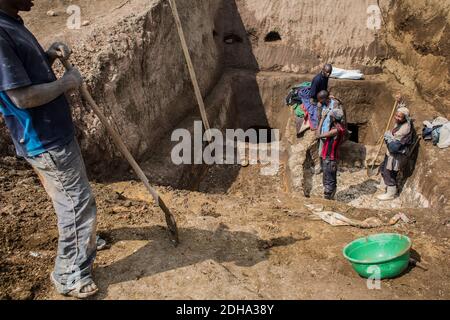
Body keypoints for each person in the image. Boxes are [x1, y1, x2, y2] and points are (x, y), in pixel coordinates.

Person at [0, 0, 102, 298]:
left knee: (73, 200)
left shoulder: (11, 22)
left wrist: (48, 57)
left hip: (52, 133)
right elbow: (21, 97)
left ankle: (84, 239)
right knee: (76, 204)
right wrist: (66, 83)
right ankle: (69, 273)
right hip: (44, 140)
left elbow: (24, 74)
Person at [377, 106, 414, 201]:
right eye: (396, 115)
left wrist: (388, 138)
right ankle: (385, 185)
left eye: (399, 117)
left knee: (389, 172)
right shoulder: (400, 123)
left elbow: (394, 147)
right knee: (384, 167)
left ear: (405, 118)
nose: (397, 118)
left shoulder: (405, 128)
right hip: (391, 153)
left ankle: (390, 193)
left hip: (396, 155)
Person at [316, 108, 346, 200]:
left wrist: (322, 119)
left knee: (328, 181)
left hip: (329, 158)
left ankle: (328, 200)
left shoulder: (335, 131)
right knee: (331, 179)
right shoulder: (341, 127)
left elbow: (318, 135)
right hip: (332, 158)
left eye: (330, 116)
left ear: (333, 118)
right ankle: (331, 198)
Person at [315, 90, 346, 174]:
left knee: (333, 152)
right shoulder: (321, 105)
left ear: (325, 98)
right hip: (323, 131)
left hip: (332, 133)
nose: (319, 102)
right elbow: (319, 117)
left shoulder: (335, 104)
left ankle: (334, 168)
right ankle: (322, 167)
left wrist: (338, 99)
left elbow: (341, 117)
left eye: (320, 100)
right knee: (321, 151)